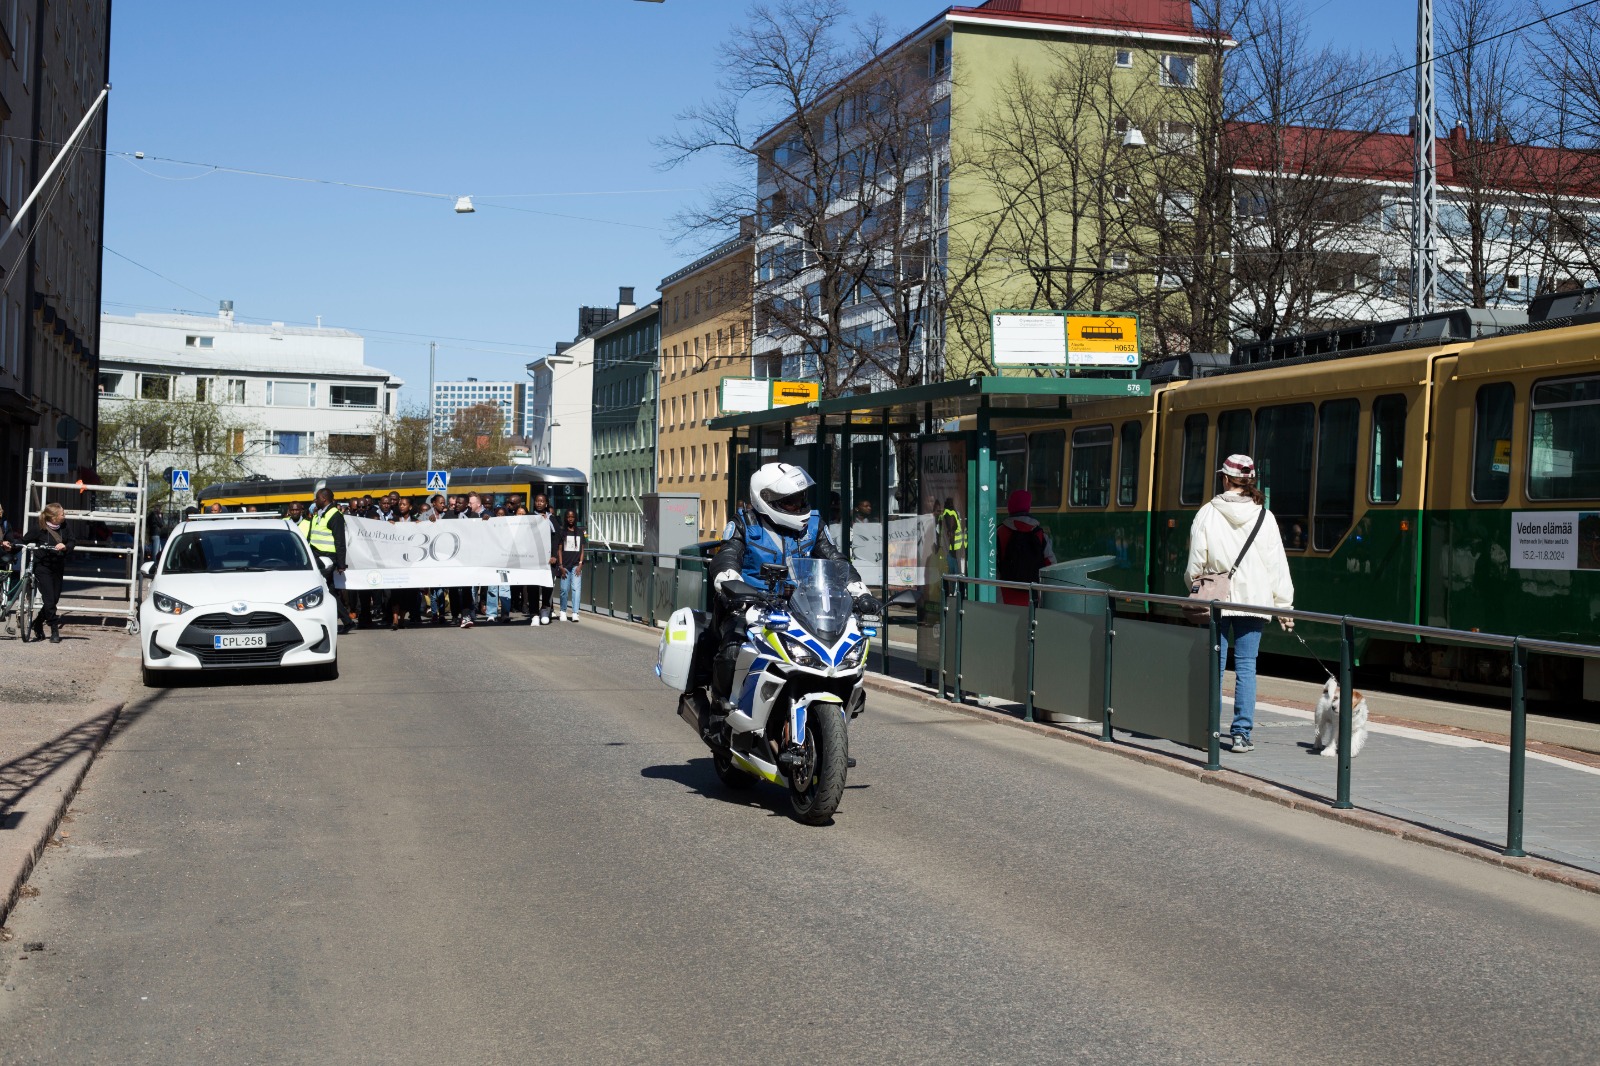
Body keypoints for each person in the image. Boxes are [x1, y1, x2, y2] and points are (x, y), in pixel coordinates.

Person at [708, 463, 880, 708]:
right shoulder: (744, 524)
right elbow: (727, 554)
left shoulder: (814, 525)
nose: (798, 507)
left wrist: (860, 592)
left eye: (800, 499)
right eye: (790, 501)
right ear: (765, 500)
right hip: (749, 607)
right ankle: (721, 707)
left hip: (800, 608)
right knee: (733, 650)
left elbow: (835, 559)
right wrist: (729, 581)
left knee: (843, 649)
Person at [1185, 453, 1296, 754]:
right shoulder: (1265, 517)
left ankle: (1210, 731)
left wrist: (1197, 586)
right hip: (1256, 603)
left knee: (1216, 668)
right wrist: (1284, 606)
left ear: (1224, 478)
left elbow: (1196, 560)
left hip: (1217, 601)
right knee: (1247, 667)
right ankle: (1241, 735)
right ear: (1249, 482)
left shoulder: (1208, 513)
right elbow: (1277, 566)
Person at [5, 502, 75, 642]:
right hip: (42, 567)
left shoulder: (65, 526)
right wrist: (11, 547)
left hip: (57, 566)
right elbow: (24, 540)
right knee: (49, 599)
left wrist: (65, 546)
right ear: (53, 517)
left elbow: (72, 541)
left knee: (54, 599)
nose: (64, 516)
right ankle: (54, 629)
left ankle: (38, 623)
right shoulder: (39, 528)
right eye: (62, 514)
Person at [996, 490, 1055, 607]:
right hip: (1032, 597)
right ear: (1028, 507)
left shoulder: (999, 533)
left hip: (1004, 595)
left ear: (1010, 507)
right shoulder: (1040, 535)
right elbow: (1051, 565)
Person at [307, 488, 350, 635]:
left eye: (317, 498)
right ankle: (347, 621)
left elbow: (340, 541)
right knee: (329, 590)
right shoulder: (320, 513)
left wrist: (341, 564)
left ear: (324, 499)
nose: (315, 501)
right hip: (317, 555)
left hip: (327, 558)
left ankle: (344, 621)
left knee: (325, 590)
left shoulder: (335, 515)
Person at [528, 493, 556, 625]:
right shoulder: (529, 516)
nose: (539, 503)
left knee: (547, 585)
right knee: (532, 586)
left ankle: (545, 608)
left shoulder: (552, 519)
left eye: (542, 501)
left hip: (547, 559)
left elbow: (557, 539)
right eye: (537, 501)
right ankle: (533, 613)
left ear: (546, 503)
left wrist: (554, 556)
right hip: (532, 559)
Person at [555, 509, 585, 622]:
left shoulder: (580, 532)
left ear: (575, 518)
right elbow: (559, 550)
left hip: (576, 565)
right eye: (568, 517)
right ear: (565, 518)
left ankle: (575, 612)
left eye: (572, 516)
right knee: (564, 589)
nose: (570, 519)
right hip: (565, 565)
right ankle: (563, 610)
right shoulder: (562, 532)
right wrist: (561, 566)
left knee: (576, 589)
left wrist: (580, 564)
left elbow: (582, 549)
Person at [941, 497, 966, 575]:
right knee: (957, 573)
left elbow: (951, 531)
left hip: (954, 549)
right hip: (957, 547)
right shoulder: (954, 512)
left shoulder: (949, 513)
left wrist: (950, 549)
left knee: (954, 574)